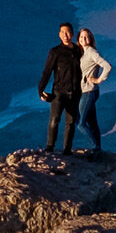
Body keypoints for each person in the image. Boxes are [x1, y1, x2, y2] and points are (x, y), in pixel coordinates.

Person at [37, 22, 84, 153]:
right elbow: (47, 72)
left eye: (68, 32)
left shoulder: (79, 51)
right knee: (55, 119)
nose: (65, 35)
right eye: (62, 32)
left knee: (70, 122)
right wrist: (41, 90)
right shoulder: (55, 52)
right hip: (59, 92)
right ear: (59, 35)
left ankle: (67, 150)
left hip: (75, 92)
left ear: (73, 34)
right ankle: (50, 147)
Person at [77, 26, 113, 157]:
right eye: (81, 37)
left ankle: (95, 147)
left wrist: (98, 80)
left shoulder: (91, 52)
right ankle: (98, 148)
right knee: (92, 122)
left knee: (80, 124)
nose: (83, 39)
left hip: (89, 91)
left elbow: (107, 66)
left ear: (91, 38)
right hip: (87, 91)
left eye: (86, 37)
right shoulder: (83, 52)